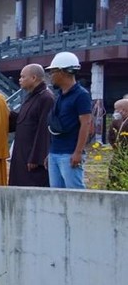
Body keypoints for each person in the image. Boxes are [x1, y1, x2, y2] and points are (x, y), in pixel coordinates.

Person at [45, 51, 92, 189]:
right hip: (55, 152)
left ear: (62, 72)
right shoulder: (59, 95)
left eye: (53, 71)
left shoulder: (81, 95)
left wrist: (78, 152)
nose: (51, 76)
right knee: (56, 195)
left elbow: (86, 124)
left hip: (69, 153)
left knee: (75, 194)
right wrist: (50, 152)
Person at [8, 64, 53, 187]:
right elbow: (23, 121)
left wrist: (36, 158)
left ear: (33, 78)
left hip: (32, 157)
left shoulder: (46, 97)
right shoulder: (31, 96)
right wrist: (7, 113)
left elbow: (44, 130)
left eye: (23, 77)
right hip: (21, 153)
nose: (20, 79)